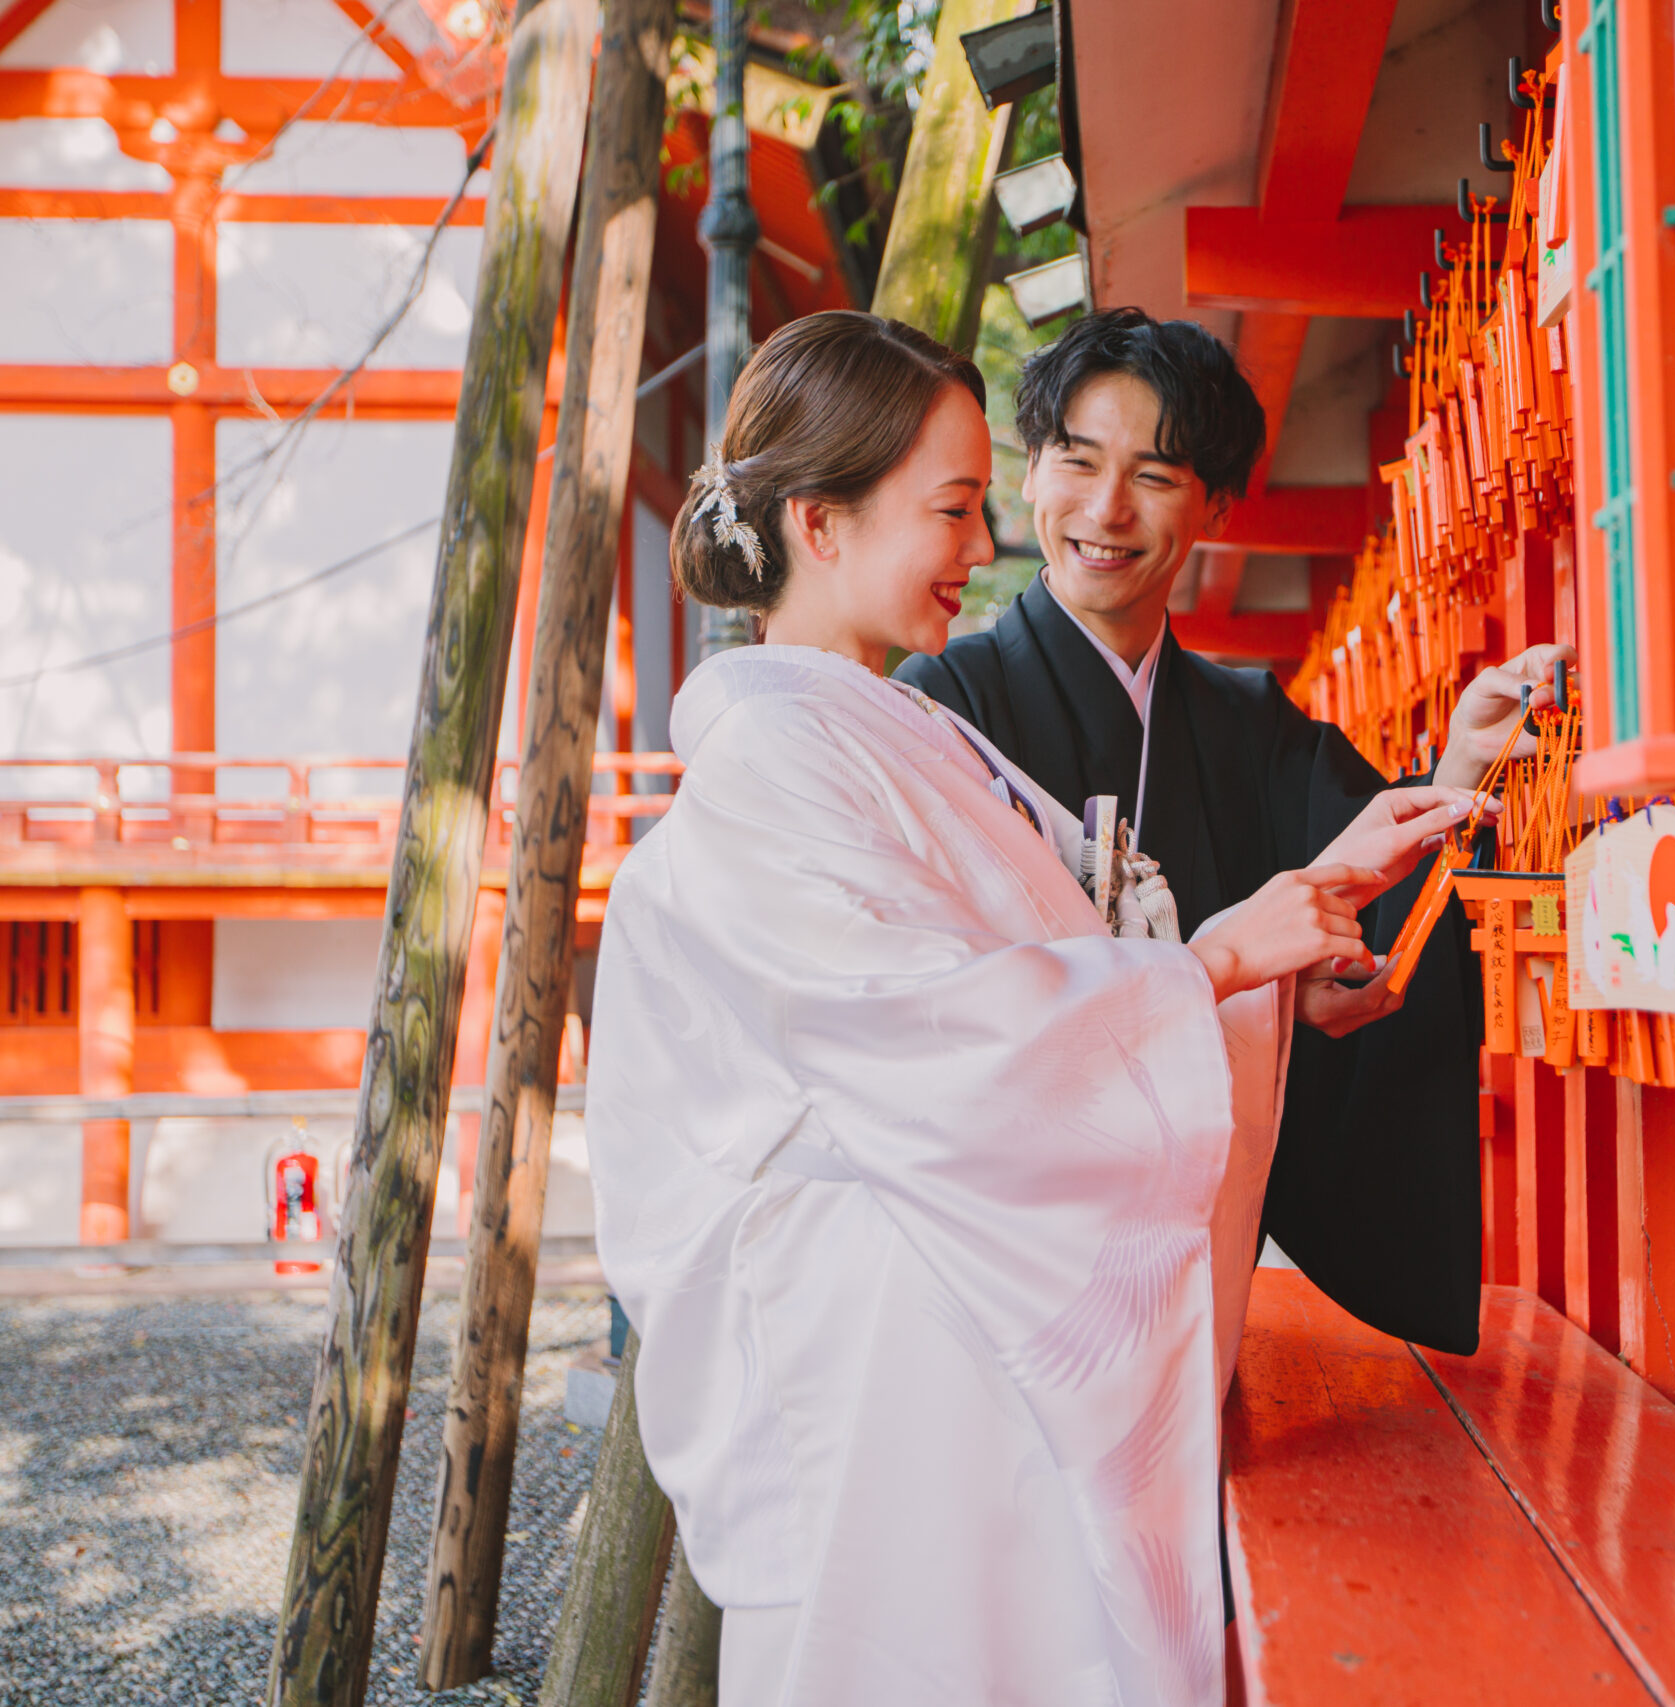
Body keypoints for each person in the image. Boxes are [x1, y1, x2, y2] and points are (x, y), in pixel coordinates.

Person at [581, 311, 1469, 1707]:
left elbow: (1093, 943)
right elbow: (947, 1034)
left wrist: (1297, 914)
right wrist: (1219, 968)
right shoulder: (774, 759)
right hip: (887, 1368)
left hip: (966, 1335)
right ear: (820, 522)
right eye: (952, 506)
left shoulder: (905, 731)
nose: (986, 541)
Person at [897, 308, 1566, 1352]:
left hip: (1200, 1253)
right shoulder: (943, 708)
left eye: (1156, 477)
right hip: (1008, 1261)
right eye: (1077, 461)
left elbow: (1366, 898)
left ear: (1211, 502)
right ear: (1028, 476)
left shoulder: (1246, 725)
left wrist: (1462, 770)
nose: (1106, 510)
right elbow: (938, 1007)